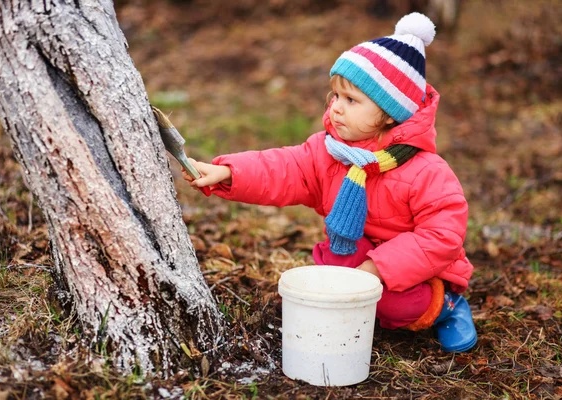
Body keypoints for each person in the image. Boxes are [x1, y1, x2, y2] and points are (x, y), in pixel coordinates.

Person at [183, 12, 477, 352]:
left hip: (421, 271)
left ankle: (446, 308)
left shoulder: (426, 171)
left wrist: (378, 268)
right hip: (359, 254)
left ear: (389, 114)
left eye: (351, 100)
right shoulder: (329, 152)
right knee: (335, 271)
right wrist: (230, 172)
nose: (336, 108)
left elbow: (442, 236)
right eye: (335, 96)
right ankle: (362, 309)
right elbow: (282, 169)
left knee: (396, 303)